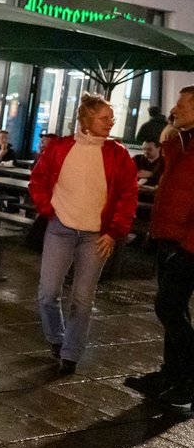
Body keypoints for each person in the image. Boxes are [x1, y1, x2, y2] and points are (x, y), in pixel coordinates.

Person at [29, 93, 137, 374]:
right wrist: (47, 208)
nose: (110, 122)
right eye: (104, 117)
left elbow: (128, 195)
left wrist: (115, 232)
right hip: (60, 229)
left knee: (83, 298)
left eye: (111, 118)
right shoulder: (60, 147)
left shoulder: (119, 154)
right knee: (47, 293)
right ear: (87, 118)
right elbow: (38, 178)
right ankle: (56, 337)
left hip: (96, 236)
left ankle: (71, 353)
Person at [124, 87, 194, 405]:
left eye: (182, 103)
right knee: (173, 311)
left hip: (188, 244)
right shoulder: (185, 142)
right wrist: (172, 135)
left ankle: (189, 378)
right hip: (169, 237)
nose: (175, 107)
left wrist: (187, 245)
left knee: (167, 307)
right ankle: (173, 375)